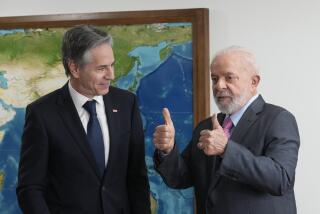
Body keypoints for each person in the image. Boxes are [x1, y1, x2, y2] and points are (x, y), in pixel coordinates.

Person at [17, 25, 151, 214]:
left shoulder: (126, 103)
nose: (111, 75)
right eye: (101, 68)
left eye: (112, 65)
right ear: (74, 68)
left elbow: (137, 178)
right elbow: (30, 188)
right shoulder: (42, 114)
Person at [153, 46, 300, 214]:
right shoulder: (206, 126)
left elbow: (280, 179)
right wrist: (167, 150)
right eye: (214, 79)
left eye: (229, 78)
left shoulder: (278, 119)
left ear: (254, 82)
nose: (219, 86)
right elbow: (180, 178)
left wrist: (226, 150)